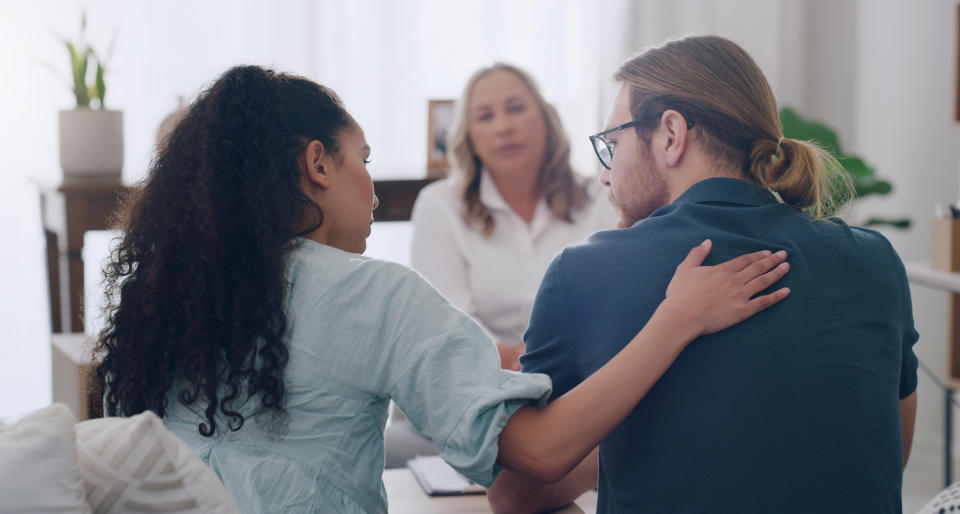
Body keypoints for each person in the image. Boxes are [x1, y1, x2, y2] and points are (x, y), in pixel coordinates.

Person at [94, 65, 790, 514]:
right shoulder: (375, 295)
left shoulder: (165, 297)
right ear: (316, 165)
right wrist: (677, 319)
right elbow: (539, 453)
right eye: (362, 161)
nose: (372, 188)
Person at [487, 35, 919, 514]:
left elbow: (514, 495)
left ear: (671, 135)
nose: (606, 175)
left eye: (613, 144)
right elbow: (885, 456)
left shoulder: (583, 272)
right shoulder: (876, 260)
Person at [389, 63, 618, 467]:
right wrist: (519, 360)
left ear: (546, 120)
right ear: (469, 137)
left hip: (576, 393)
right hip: (469, 395)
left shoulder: (600, 196)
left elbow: (610, 308)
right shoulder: (440, 205)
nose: (503, 127)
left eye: (516, 108)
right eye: (485, 116)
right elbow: (447, 321)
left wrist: (543, 365)